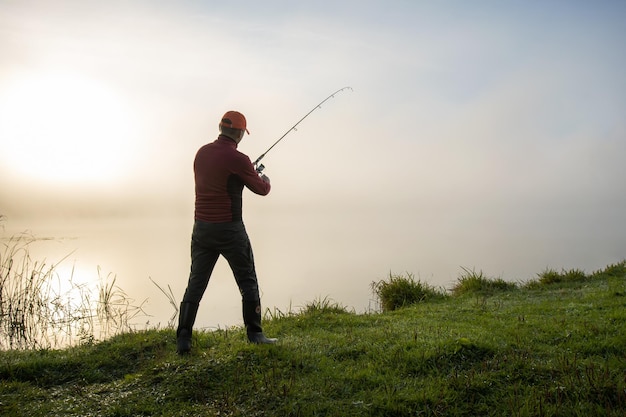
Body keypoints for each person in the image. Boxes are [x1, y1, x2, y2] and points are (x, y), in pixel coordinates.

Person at [176, 110, 277, 355]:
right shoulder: (240, 160)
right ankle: (255, 334)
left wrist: (243, 173)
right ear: (240, 133)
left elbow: (219, 176)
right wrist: (263, 176)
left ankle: (183, 340)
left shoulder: (201, 153)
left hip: (201, 229)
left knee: (196, 283)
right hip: (230, 230)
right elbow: (262, 189)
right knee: (247, 280)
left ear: (221, 128)